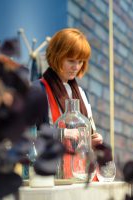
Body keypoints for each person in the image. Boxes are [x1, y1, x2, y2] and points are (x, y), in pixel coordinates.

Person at [32, 28, 103, 178]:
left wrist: (92, 141)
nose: (76, 67)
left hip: (82, 173)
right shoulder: (37, 90)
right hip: (51, 176)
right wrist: (62, 133)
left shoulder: (82, 94)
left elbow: (86, 137)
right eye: (71, 60)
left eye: (80, 61)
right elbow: (26, 136)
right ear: (57, 56)